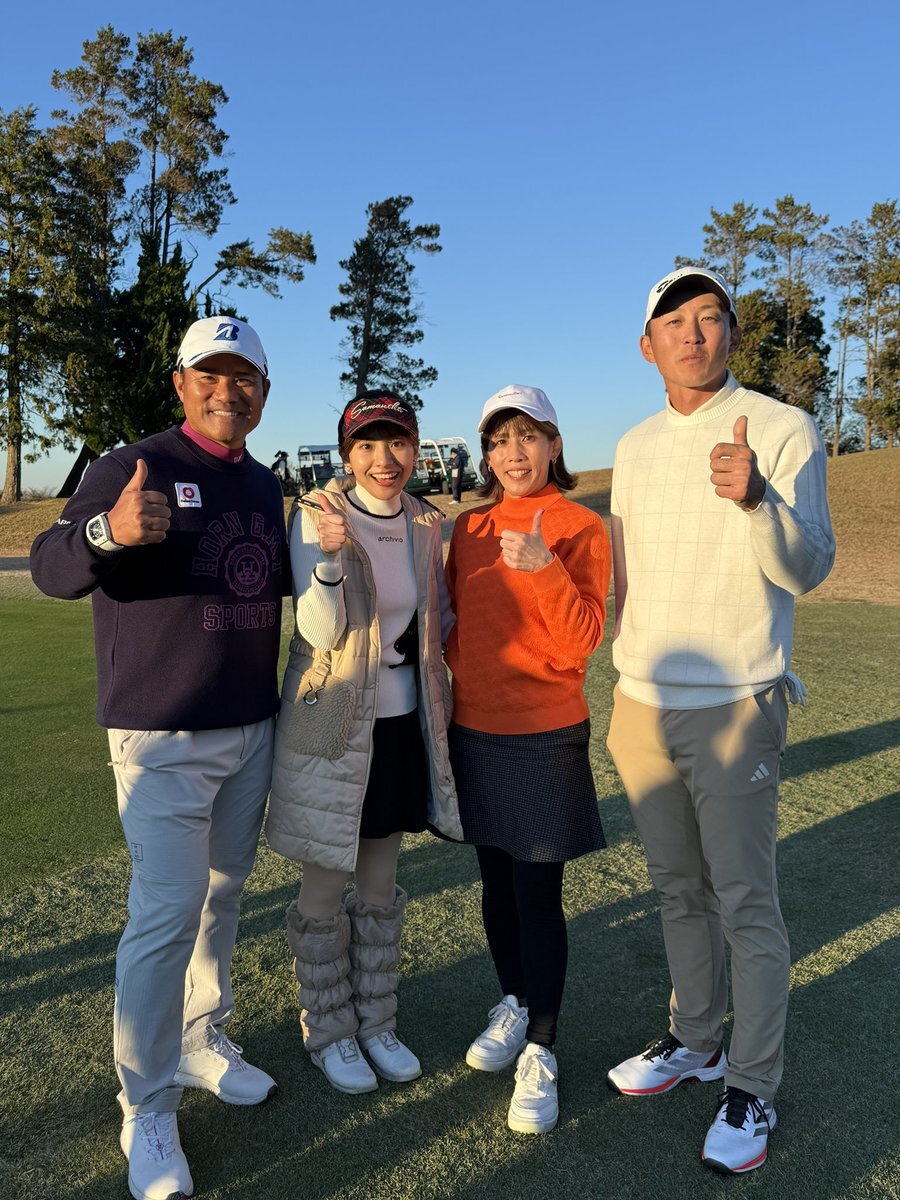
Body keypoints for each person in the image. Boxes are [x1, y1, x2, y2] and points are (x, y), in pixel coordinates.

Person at [30, 316, 286, 1200]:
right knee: (166, 912)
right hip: (162, 733)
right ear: (180, 384)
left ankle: (199, 1038)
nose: (227, 391)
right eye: (209, 374)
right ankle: (145, 1102)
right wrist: (108, 532)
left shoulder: (263, 483)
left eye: (243, 377)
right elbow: (50, 567)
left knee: (221, 896)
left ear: (263, 392)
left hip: (250, 726)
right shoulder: (128, 467)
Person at [605, 268, 835, 1174]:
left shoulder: (780, 428)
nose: (693, 334)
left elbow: (806, 567)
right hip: (641, 704)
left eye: (710, 318)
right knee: (677, 890)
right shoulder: (632, 446)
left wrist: (755, 499)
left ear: (731, 335)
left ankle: (752, 1082)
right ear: (647, 346)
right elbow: (627, 575)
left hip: (736, 705)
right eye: (675, 321)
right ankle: (696, 1038)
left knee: (745, 902)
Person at [266, 390, 462, 1096]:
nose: (385, 459)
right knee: (325, 880)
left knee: (379, 884)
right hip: (334, 723)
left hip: (402, 725)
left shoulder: (424, 521)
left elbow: (437, 620)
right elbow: (318, 631)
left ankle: (377, 1023)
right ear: (347, 454)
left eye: (398, 442)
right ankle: (329, 1030)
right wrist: (327, 561)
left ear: (416, 448)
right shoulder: (319, 513)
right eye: (368, 445)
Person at [445, 385, 611, 1135]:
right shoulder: (469, 526)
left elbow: (582, 640)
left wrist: (544, 565)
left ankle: (541, 1045)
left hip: (545, 734)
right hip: (474, 728)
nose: (512, 453)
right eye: (498, 440)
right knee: (495, 886)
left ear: (553, 445)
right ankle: (514, 1003)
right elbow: (457, 623)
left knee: (537, 896)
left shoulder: (579, 525)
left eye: (527, 436)